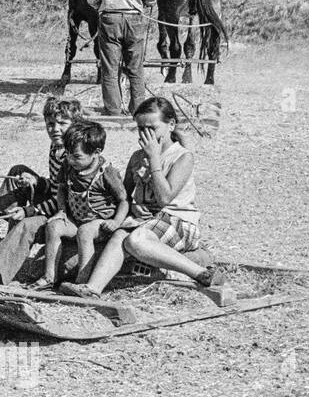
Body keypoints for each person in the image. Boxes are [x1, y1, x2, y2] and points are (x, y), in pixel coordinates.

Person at [61, 96, 222, 297]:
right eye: (140, 128)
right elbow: (125, 196)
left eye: (152, 128)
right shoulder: (137, 157)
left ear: (171, 125)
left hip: (178, 221)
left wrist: (154, 159)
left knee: (135, 240)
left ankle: (200, 273)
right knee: (121, 236)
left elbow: (165, 198)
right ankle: (92, 289)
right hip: (145, 221)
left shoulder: (182, 156)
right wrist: (131, 207)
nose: (146, 134)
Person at [0, 97, 81, 285]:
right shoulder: (56, 147)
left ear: (75, 125)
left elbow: (65, 199)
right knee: (18, 171)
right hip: (56, 200)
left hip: (66, 212)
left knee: (27, 223)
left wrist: (29, 210)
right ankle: (8, 242)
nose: (55, 129)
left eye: (62, 124)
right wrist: (37, 182)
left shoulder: (74, 156)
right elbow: (56, 186)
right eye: (50, 124)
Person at [34, 120, 128, 291]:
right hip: (77, 219)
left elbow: (123, 201)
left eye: (76, 156)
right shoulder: (68, 166)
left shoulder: (107, 173)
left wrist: (116, 222)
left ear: (96, 152)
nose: (70, 159)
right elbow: (62, 188)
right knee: (53, 226)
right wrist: (62, 211)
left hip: (99, 222)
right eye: (68, 154)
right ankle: (49, 277)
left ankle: (81, 282)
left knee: (85, 232)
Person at [89, 0, 156, 116]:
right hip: (134, 19)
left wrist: (105, 6)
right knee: (135, 67)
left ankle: (113, 109)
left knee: (110, 68)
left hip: (110, 19)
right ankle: (138, 109)